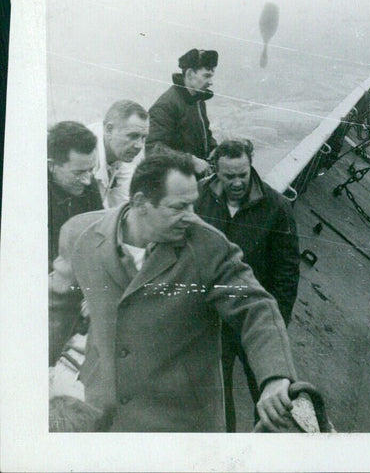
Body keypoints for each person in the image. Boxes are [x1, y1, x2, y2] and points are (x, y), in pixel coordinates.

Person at [49, 151, 298, 432]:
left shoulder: (208, 246)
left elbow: (256, 309)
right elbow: (56, 310)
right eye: (179, 207)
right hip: (104, 409)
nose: (191, 217)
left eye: (193, 204)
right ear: (141, 202)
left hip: (179, 422)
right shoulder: (80, 234)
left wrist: (275, 377)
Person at [196, 138, 300, 432]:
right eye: (230, 176)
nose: (238, 182)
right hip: (215, 319)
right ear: (216, 169)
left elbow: (287, 273)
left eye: (243, 174)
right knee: (218, 394)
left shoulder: (277, 208)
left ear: (251, 165)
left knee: (268, 391)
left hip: (253, 318)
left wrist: (277, 322)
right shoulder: (199, 196)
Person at [146, 48, 218, 176]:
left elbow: (204, 134)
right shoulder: (166, 105)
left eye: (211, 76)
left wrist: (216, 150)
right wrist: (189, 161)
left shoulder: (198, 100)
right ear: (190, 74)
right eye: (206, 76)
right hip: (174, 183)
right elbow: (153, 148)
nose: (211, 82)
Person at [48, 121, 103, 269]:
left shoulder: (88, 181)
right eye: (78, 173)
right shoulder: (32, 198)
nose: (87, 181)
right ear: (51, 165)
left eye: (90, 170)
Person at [88, 100, 149, 208]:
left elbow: (123, 205)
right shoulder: (86, 155)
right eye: (133, 136)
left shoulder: (122, 154)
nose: (139, 146)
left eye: (143, 137)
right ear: (109, 130)